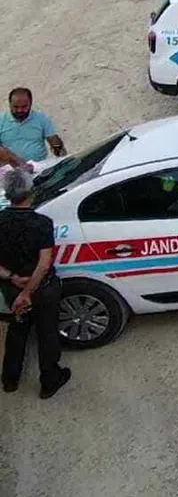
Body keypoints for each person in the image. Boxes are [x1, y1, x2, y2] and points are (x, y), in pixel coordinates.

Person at [0, 166, 71, 398]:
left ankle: (10, 379)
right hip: (42, 288)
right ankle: (50, 380)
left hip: (12, 287)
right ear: (30, 193)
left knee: (17, 329)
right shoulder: (41, 223)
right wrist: (28, 291)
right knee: (47, 331)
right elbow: (44, 263)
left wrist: (13, 278)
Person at [0, 88, 64, 170]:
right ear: (10, 104)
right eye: (15, 107)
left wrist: (59, 150)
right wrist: (20, 163)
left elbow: (54, 142)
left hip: (38, 168)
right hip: (9, 170)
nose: (20, 110)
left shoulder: (41, 118)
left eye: (24, 106)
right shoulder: (1, 120)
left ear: (30, 103)